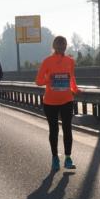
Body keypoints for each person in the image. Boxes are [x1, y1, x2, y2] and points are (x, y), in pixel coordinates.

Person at [35, 35, 80, 170]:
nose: (62, 47)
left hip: (67, 100)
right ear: (54, 46)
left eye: (64, 44)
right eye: (59, 45)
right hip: (50, 102)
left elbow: (71, 77)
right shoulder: (47, 61)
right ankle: (55, 157)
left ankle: (68, 158)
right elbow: (38, 81)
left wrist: (76, 89)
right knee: (54, 130)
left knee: (67, 129)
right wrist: (48, 79)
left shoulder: (70, 61)